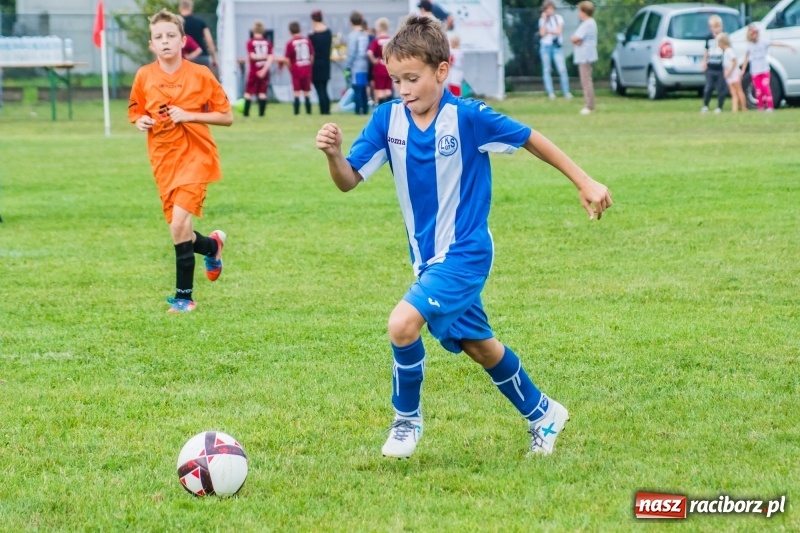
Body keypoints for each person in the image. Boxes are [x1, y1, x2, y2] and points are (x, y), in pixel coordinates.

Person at [315, 15, 612, 459]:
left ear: (441, 71)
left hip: (466, 253)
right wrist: (335, 155)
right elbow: (347, 180)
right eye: (396, 79)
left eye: (412, 78)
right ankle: (543, 413)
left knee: (401, 324)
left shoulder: (468, 117)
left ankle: (406, 420)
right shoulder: (387, 119)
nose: (404, 89)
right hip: (427, 259)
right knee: (481, 347)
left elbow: (532, 139)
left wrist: (584, 181)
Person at [128, 9, 232, 313]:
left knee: (179, 224)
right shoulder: (144, 75)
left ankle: (184, 298)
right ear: (151, 44)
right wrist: (140, 121)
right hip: (163, 159)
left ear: (183, 40)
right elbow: (135, 109)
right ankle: (212, 247)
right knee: (179, 229)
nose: (165, 42)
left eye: (171, 36)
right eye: (158, 37)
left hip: (196, 157)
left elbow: (226, 116)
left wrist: (189, 115)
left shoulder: (200, 74)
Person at [740, 23, 797, 111]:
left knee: (765, 86)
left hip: (764, 69)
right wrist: (743, 70)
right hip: (755, 71)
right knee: (758, 90)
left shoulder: (763, 42)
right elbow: (746, 58)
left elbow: (776, 44)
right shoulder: (750, 46)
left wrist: (788, 46)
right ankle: (761, 107)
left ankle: (770, 106)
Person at [538, 0, 572, 100]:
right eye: (548, 9)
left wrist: (549, 31)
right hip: (545, 46)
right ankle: (550, 92)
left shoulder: (558, 19)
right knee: (547, 70)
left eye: (551, 9)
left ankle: (566, 91)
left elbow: (558, 31)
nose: (550, 11)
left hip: (556, 47)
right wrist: (544, 20)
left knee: (562, 69)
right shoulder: (542, 20)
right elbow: (542, 33)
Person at [571, 1, 597, 115]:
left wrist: (575, 40)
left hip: (585, 56)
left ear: (584, 12)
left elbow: (575, 38)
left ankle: (589, 106)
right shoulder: (591, 23)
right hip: (586, 55)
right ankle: (589, 104)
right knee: (586, 80)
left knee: (586, 81)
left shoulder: (587, 23)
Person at [243, 20, 273, 118]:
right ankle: (261, 114)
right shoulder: (267, 43)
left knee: (248, 92)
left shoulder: (250, 42)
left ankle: (246, 113)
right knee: (262, 92)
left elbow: (252, 56)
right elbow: (270, 57)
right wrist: (264, 69)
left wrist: (259, 56)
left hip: (253, 70)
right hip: (264, 70)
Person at [284, 21, 315, 115]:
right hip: (306, 68)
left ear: (290, 31)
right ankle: (308, 112)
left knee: (296, 91)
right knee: (307, 91)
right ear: (300, 29)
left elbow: (287, 59)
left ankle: (296, 112)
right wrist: (309, 65)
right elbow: (312, 55)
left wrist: (290, 68)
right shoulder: (307, 41)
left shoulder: (290, 43)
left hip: (296, 69)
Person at [178, 0, 217, 71]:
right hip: (202, 57)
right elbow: (209, 41)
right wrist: (214, 58)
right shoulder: (200, 22)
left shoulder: (177, 23)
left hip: (184, 59)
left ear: (180, 8)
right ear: (191, 8)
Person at [345, 11, 370, 115]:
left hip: (356, 65)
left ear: (351, 22)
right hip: (365, 65)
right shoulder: (365, 35)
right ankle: (365, 108)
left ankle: (358, 109)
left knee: (357, 88)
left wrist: (347, 66)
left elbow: (351, 52)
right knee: (363, 88)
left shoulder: (352, 35)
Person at [308, 10, 332, 115]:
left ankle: (323, 110)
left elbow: (310, 52)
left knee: (319, 89)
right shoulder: (328, 32)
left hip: (316, 64)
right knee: (325, 88)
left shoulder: (312, 35)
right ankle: (327, 109)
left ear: (313, 19)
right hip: (326, 63)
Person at [701, 15, 725, 114]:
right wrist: (704, 62)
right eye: (714, 27)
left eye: (718, 26)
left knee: (720, 88)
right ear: (711, 28)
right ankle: (705, 105)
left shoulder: (724, 37)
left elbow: (727, 51)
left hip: (721, 68)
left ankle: (719, 107)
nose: (716, 29)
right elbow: (706, 51)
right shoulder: (708, 38)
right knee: (708, 87)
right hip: (711, 67)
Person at [718, 33, 746, 113]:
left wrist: (729, 72)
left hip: (734, 74)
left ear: (722, 42)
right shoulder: (726, 52)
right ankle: (735, 109)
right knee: (733, 92)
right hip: (729, 75)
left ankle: (743, 107)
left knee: (739, 91)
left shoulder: (729, 51)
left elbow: (734, 61)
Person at [368, 18, 393, 105]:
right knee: (388, 89)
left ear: (378, 28)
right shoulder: (391, 40)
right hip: (389, 67)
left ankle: (381, 107)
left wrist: (374, 61)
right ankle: (390, 107)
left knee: (379, 90)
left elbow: (370, 52)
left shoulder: (376, 40)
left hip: (379, 68)